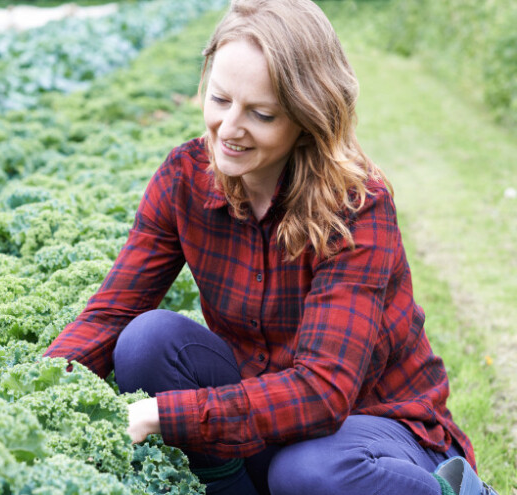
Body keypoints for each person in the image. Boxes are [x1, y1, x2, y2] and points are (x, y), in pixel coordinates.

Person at [43, 1, 498, 494]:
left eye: (261, 114)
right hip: (264, 416)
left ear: (308, 117)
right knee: (146, 342)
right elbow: (110, 316)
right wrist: (32, 391)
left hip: (375, 428)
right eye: (219, 100)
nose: (230, 129)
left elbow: (323, 392)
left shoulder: (355, 208)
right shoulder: (184, 179)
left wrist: (161, 415)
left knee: (307, 471)